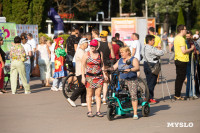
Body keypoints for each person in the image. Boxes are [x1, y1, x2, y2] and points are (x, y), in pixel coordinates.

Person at [107, 46, 140, 119]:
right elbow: (114, 67)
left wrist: (130, 69)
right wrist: (109, 69)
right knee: (120, 95)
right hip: (122, 80)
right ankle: (123, 108)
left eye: (122, 52)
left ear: (127, 52)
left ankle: (135, 113)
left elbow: (137, 67)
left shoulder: (133, 59)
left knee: (133, 95)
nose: (121, 53)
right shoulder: (120, 60)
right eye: (120, 52)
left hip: (131, 80)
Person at [81, 39, 108, 117]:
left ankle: (98, 111)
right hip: (89, 77)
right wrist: (83, 77)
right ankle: (89, 111)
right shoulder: (86, 54)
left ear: (97, 46)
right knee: (89, 94)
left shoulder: (100, 53)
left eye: (94, 46)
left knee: (98, 94)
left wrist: (104, 74)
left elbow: (102, 64)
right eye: (91, 45)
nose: (92, 47)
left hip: (99, 76)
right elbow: (82, 66)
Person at [174, 25, 194, 100]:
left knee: (179, 78)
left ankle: (177, 94)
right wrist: (191, 48)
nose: (186, 31)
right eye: (185, 29)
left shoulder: (176, 37)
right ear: (181, 30)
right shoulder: (181, 39)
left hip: (178, 59)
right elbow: (184, 51)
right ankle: (177, 95)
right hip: (182, 60)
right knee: (180, 78)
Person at [67, 38, 88, 107]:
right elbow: (84, 62)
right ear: (83, 44)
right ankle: (72, 98)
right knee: (82, 86)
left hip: (82, 71)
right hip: (81, 71)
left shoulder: (82, 50)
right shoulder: (80, 51)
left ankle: (83, 101)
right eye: (86, 43)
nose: (87, 44)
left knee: (84, 86)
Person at [143, 35, 164, 103]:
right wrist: (160, 49)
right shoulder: (151, 48)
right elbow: (160, 53)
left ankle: (147, 97)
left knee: (149, 81)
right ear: (149, 41)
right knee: (152, 82)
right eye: (153, 40)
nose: (154, 41)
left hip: (146, 64)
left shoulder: (144, 47)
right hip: (152, 65)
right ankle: (149, 98)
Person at [98, 30, 115, 104]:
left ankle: (93, 98)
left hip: (98, 64)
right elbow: (113, 56)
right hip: (106, 64)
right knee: (105, 82)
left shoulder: (97, 43)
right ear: (107, 36)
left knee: (97, 81)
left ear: (100, 36)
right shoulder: (109, 44)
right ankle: (104, 98)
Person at [185, 31, 198, 99]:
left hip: (193, 61)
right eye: (186, 36)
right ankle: (187, 93)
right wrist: (191, 50)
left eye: (188, 36)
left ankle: (193, 92)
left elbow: (198, 49)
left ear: (191, 36)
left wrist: (197, 51)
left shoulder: (194, 42)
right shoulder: (185, 42)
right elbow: (185, 51)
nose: (187, 37)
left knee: (193, 77)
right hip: (187, 61)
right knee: (188, 76)